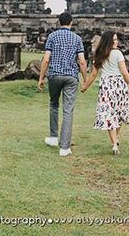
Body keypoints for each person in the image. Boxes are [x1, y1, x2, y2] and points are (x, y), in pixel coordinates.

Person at [37, 12, 87, 157]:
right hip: (71, 77)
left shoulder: (52, 36)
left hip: (54, 75)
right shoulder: (77, 38)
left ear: (59, 22)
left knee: (53, 104)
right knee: (68, 110)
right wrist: (85, 79)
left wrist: (41, 78)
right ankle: (64, 147)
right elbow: (82, 61)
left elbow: (46, 59)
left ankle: (53, 137)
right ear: (71, 23)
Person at [80, 31, 129, 155]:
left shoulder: (99, 54)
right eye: (114, 40)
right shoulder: (118, 54)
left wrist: (85, 86)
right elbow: (124, 72)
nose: (116, 42)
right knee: (119, 113)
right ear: (108, 41)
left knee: (109, 115)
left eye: (116, 40)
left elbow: (94, 74)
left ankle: (115, 143)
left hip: (106, 86)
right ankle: (116, 140)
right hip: (119, 85)